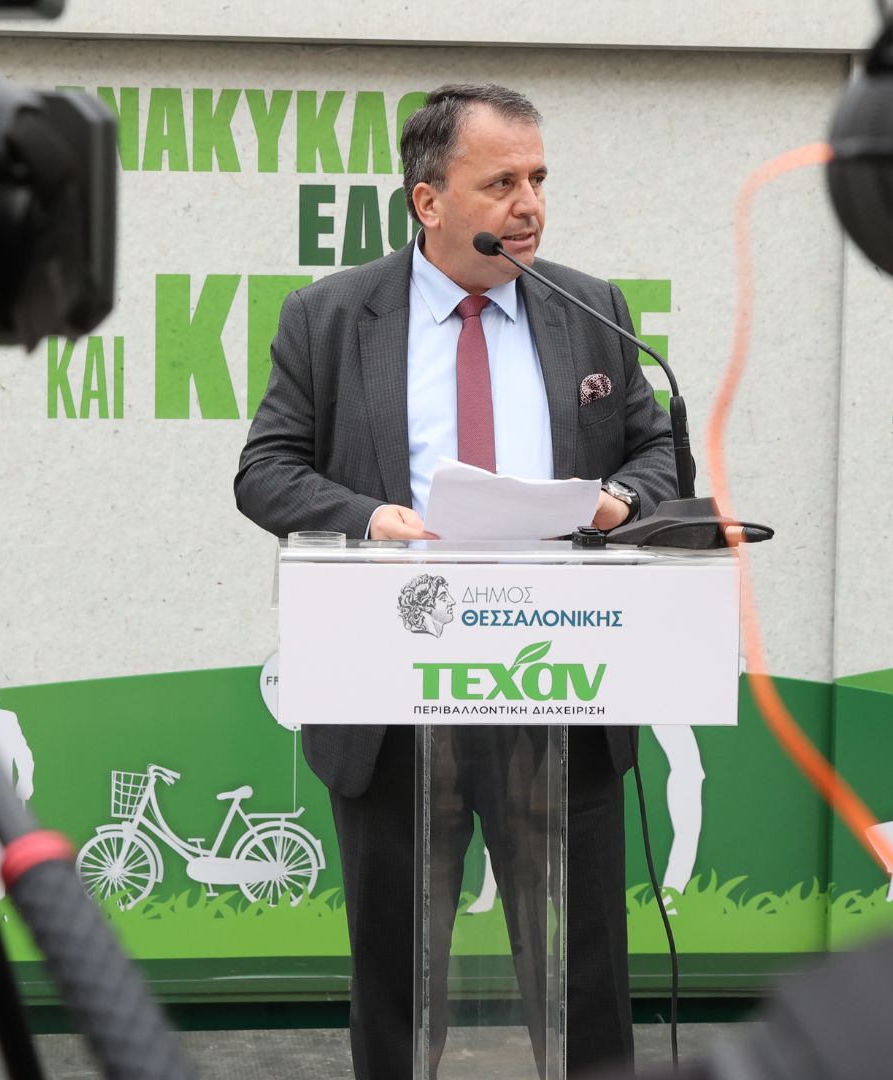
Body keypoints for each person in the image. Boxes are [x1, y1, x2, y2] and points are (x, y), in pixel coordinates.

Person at [235, 82, 678, 1078]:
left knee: (584, 975)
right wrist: (369, 517)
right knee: (399, 978)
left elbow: (657, 453)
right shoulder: (329, 316)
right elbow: (266, 471)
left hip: (561, 687)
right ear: (429, 201)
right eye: (502, 183)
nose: (530, 205)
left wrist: (620, 500)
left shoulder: (591, 310)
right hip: (395, 695)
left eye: (539, 180)